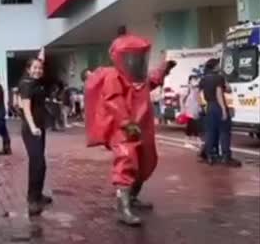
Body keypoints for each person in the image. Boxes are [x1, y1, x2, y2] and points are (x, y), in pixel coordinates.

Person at [85, 32, 176, 226]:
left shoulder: (138, 78)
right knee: (127, 162)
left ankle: (132, 198)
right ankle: (122, 207)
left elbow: (149, 82)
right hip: (125, 130)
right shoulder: (114, 77)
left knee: (146, 162)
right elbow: (113, 101)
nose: (136, 62)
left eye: (139, 57)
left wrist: (163, 70)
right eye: (133, 57)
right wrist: (127, 123)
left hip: (142, 127)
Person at [19, 48, 53, 216]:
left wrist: (41, 59)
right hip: (31, 129)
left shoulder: (36, 82)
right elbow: (26, 108)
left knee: (41, 164)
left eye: (40, 68)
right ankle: (32, 200)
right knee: (37, 163)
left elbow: (42, 72)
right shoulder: (26, 84)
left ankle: (38, 194)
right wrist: (32, 127)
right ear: (28, 69)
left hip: (39, 129)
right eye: (35, 68)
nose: (38, 70)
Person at [199, 58, 241, 167]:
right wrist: (223, 110)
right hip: (218, 106)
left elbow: (197, 93)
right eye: (218, 64)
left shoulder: (203, 79)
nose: (219, 65)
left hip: (209, 107)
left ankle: (210, 155)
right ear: (215, 66)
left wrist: (202, 106)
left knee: (210, 132)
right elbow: (224, 91)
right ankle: (226, 157)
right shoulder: (219, 78)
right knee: (224, 132)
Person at [180, 75, 202, 149]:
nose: (195, 80)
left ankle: (189, 140)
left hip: (194, 108)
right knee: (192, 124)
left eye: (195, 79)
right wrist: (183, 109)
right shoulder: (190, 88)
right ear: (190, 81)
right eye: (193, 79)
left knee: (192, 124)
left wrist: (200, 107)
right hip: (190, 108)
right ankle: (196, 141)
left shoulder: (196, 88)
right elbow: (183, 99)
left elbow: (198, 97)